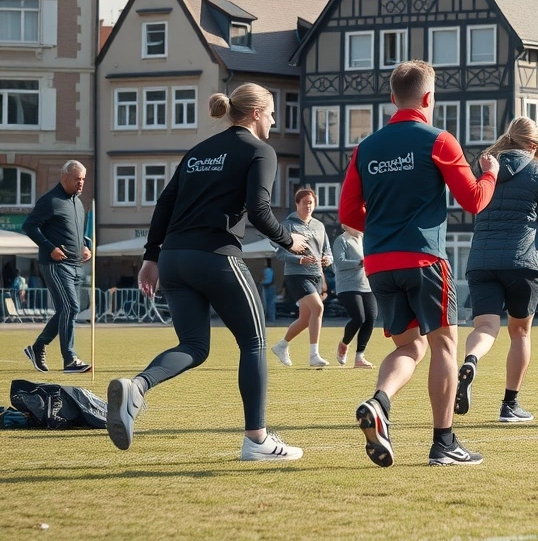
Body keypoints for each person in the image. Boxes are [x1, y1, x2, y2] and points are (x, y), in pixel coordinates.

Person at [105, 84, 310, 460]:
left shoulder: (199, 151)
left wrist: (151, 257)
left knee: (194, 347)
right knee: (254, 343)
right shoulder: (260, 150)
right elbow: (260, 211)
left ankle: (137, 386)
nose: (275, 119)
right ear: (255, 114)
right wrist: (290, 241)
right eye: (272, 112)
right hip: (215, 257)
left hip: (174, 259)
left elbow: (165, 203)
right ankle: (257, 440)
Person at [339, 60, 498, 467]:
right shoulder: (439, 140)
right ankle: (443, 443)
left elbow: (347, 214)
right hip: (424, 258)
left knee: (410, 346)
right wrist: (490, 174)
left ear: (393, 99)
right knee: (444, 344)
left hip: (378, 263)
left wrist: (381, 227)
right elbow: (474, 201)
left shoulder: (366, 148)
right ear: (429, 98)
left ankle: (379, 402)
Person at [456, 116, 538, 424]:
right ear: (534, 144)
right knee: (520, 333)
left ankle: (471, 359)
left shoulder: (485, 167)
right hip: (521, 261)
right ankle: (509, 405)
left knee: (484, 328)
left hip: (482, 260)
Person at [21, 160, 93, 374]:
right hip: (55, 264)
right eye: (77, 179)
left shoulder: (78, 204)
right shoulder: (50, 200)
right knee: (71, 307)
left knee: (66, 310)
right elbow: (29, 226)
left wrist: (85, 246)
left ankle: (38, 347)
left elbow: (78, 233)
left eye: (83, 179)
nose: (81, 183)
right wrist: (50, 247)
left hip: (75, 266)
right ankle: (70, 359)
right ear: (64, 177)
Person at [270, 187, 334, 367]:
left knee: (306, 319)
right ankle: (314, 356)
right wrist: (299, 260)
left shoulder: (319, 225)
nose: (308, 206)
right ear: (296, 204)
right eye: (304, 202)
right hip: (296, 275)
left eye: (311, 203)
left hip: (316, 275)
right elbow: (279, 253)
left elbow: (327, 251)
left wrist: (327, 259)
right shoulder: (288, 225)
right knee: (318, 308)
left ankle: (281, 346)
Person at [333, 224, 376, 368]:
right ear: (345, 225)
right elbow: (339, 262)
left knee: (371, 318)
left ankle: (359, 357)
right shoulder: (342, 240)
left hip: (367, 284)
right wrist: (360, 262)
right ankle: (344, 344)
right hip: (348, 286)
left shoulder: (366, 240)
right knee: (359, 318)